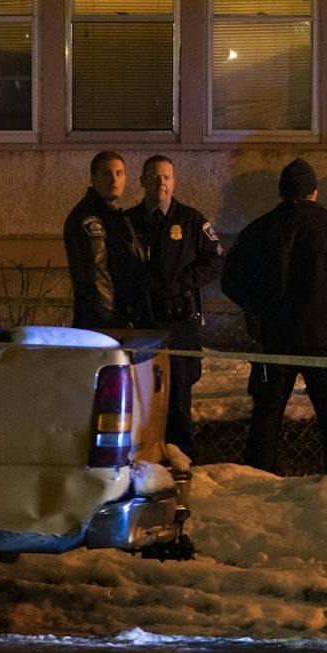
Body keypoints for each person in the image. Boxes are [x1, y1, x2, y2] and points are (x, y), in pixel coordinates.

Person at [221, 159, 327, 474]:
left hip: (274, 338)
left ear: (281, 191)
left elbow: (231, 280)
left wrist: (257, 308)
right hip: (325, 339)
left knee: (266, 417)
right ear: (314, 192)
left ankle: (257, 482)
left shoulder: (258, 230)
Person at [125, 155, 223, 458]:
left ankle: (183, 459)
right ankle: (144, 455)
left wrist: (182, 282)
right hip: (143, 321)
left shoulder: (191, 220)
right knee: (142, 393)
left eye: (166, 177)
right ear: (142, 181)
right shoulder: (129, 222)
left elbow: (215, 259)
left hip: (180, 322)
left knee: (179, 393)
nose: (161, 183)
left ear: (174, 181)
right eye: (154, 177)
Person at [62, 150, 135, 332]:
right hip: (101, 321)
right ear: (93, 178)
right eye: (106, 173)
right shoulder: (90, 217)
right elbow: (96, 274)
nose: (114, 180)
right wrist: (112, 320)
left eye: (119, 173)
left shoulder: (110, 214)